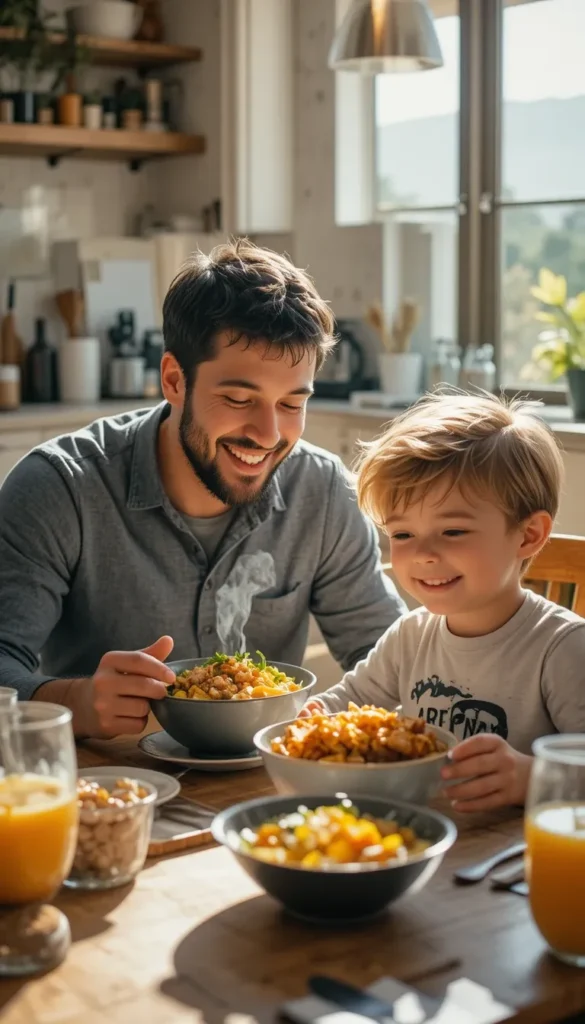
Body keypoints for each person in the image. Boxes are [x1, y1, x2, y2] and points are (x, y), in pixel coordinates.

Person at [0, 240, 404, 738]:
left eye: (291, 403)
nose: (269, 435)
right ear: (174, 380)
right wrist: (74, 701)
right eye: (238, 398)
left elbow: (392, 659)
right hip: (111, 791)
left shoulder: (321, 490)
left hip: (268, 791)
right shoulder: (59, 487)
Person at [301, 391, 585, 813]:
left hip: (510, 860)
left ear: (528, 536)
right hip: (417, 837)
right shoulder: (410, 636)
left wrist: (531, 776)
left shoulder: (562, 648)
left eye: (452, 532)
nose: (422, 554)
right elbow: (349, 700)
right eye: (402, 535)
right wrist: (315, 714)